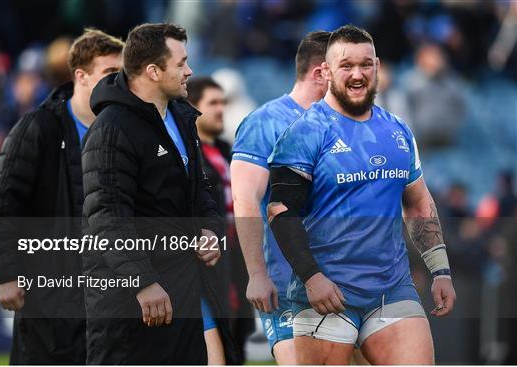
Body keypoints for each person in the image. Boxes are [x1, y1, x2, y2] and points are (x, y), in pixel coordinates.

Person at [267, 25, 457, 365]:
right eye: (346, 66)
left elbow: (418, 203)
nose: (358, 74)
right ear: (326, 71)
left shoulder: (398, 129)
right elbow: (281, 212)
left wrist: (440, 270)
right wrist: (312, 277)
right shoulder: (304, 133)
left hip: (392, 288)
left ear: (378, 67)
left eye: (365, 65)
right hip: (326, 294)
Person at [81, 23, 222, 365]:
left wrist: (209, 229)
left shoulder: (181, 118)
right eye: (181, 63)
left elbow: (199, 188)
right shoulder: (112, 128)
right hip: (129, 302)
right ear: (153, 71)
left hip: (180, 289)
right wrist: (142, 281)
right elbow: (108, 215)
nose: (189, 71)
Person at [0, 29, 123, 364]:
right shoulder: (38, 128)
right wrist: (6, 274)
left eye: (122, 75)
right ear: (81, 76)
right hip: (49, 289)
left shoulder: (124, 134)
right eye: (109, 73)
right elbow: (3, 203)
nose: (118, 82)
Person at [230, 31, 331, 364]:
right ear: (320, 72)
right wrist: (257, 274)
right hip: (289, 284)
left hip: (347, 280)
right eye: (344, 67)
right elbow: (244, 200)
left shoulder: (345, 126)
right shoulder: (265, 123)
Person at [186, 76, 243, 365]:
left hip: (235, 261)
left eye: (224, 102)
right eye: (213, 103)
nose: (221, 109)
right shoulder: (188, 154)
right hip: (209, 263)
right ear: (194, 108)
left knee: (236, 342)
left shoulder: (226, 150)